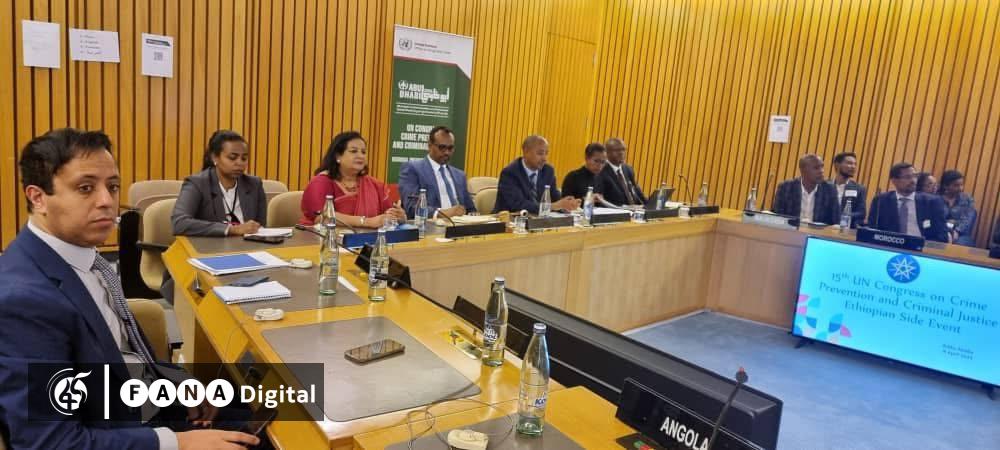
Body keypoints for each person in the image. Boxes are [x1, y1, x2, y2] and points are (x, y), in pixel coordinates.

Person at [0, 128, 261, 449]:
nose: (107, 201)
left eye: (112, 186)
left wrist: (179, 385)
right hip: (125, 433)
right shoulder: (23, 300)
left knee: (270, 406)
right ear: (38, 197)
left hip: (148, 401)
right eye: (85, 188)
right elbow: (49, 442)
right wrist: (177, 443)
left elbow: (126, 354)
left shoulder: (84, 258)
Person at [300, 131, 406, 227]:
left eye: (363, 152)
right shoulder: (321, 182)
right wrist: (367, 222)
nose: (361, 156)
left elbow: (388, 214)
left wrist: (399, 216)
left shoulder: (374, 185)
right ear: (338, 156)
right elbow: (322, 217)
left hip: (367, 239)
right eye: (354, 151)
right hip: (320, 238)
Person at [171, 130, 267, 236]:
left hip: (247, 244)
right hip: (209, 245)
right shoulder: (197, 184)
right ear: (214, 157)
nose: (240, 163)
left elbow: (260, 227)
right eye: (232, 157)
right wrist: (232, 230)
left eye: (244, 158)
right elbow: (179, 224)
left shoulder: (254, 184)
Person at [397, 126, 476, 219]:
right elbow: (411, 208)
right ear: (430, 145)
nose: (447, 152)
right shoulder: (413, 169)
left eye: (450, 148)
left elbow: (471, 209)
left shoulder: (460, 175)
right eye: (442, 147)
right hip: (431, 225)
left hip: (461, 225)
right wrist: (442, 213)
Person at [493, 135, 580, 214]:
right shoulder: (510, 173)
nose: (544, 158)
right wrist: (553, 206)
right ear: (526, 152)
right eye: (540, 153)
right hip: (508, 220)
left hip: (537, 220)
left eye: (546, 153)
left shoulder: (548, 171)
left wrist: (566, 205)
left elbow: (554, 196)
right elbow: (518, 204)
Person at [868, 162, 949, 242]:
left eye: (915, 176)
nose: (913, 180)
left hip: (921, 246)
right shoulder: (881, 201)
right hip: (890, 245)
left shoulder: (931, 202)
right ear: (894, 181)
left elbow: (942, 235)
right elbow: (872, 229)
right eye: (907, 177)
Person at [771, 154, 840, 224]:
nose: (821, 171)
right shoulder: (786, 187)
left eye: (822, 167)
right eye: (816, 168)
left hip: (817, 230)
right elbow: (778, 216)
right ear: (803, 171)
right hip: (790, 229)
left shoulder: (829, 190)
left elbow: (835, 221)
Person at [598, 138, 646, 206]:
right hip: (617, 210)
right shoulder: (601, 171)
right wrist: (626, 207)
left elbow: (637, 192)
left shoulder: (628, 169)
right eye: (617, 150)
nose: (621, 153)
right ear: (606, 152)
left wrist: (649, 205)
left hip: (636, 209)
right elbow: (602, 200)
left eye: (623, 149)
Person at [937, 170, 977, 246]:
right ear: (945, 186)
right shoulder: (936, 198)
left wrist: (957, 231)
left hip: (961, 234)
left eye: (961, 185)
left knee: (961, 243)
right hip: (940, 232)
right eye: (956, 185)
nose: (961, 188)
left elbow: (968, 220)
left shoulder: (967, 199)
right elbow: (935, 219)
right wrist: (948, 229)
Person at [829, 152, 867, 227]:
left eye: (855, 164)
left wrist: (844, 216)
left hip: (846, 227)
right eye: (849, 163)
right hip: (825, 226)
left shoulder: (859, 189)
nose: (853, 167)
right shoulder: (824, 186)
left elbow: (861, 213)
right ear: (837, 165)